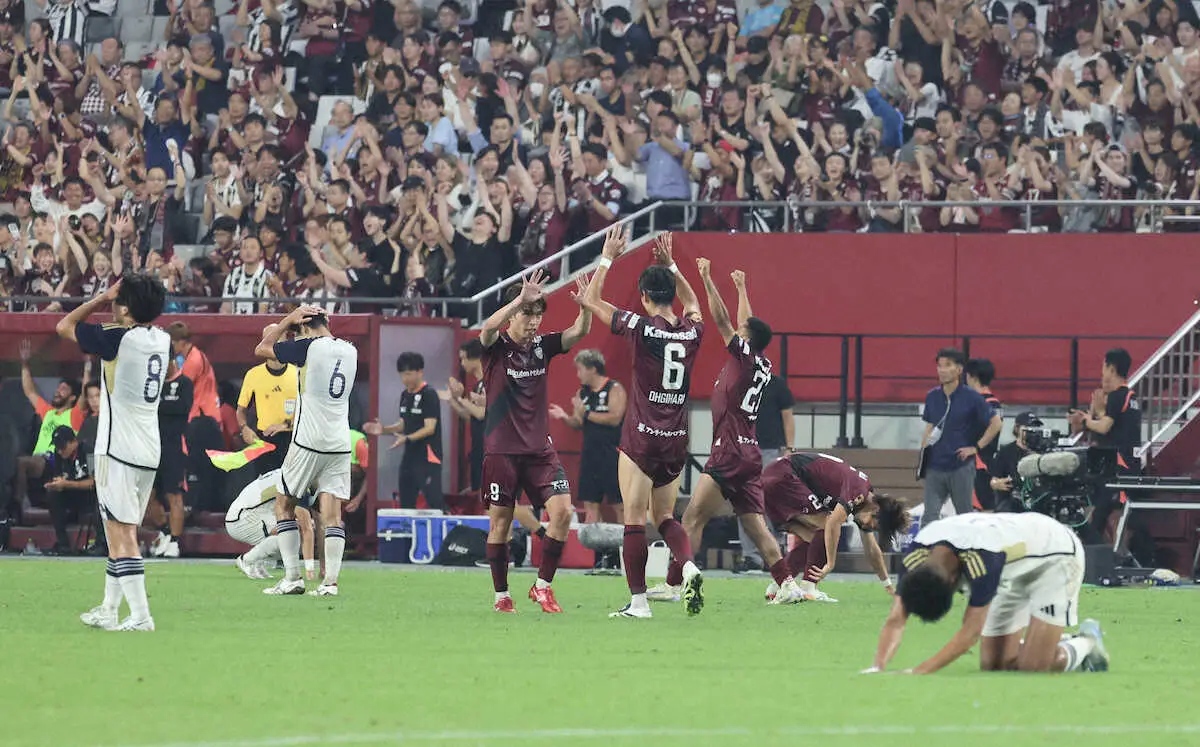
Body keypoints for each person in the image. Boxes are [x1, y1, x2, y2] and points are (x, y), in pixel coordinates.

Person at [650, 259, 805, 606]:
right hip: (749, 453)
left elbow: (722, 321)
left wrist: (706, 278)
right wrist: (741, 288)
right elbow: (742, 323)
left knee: (691, 518)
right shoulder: (761, 362)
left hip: (729, 450)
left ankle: (674, 585)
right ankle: (788, 584)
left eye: (743, 330)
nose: (738, 329)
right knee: (755, 526)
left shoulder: (744, 355)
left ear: (747, 338)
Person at [577, 227, 706, 619]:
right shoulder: (692, 331)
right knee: (664, 516)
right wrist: (672, 265)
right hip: (676, 438)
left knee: (634, 518)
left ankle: (638, 603)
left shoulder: (640, 326)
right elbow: (694, 301)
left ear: (645, 297)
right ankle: (687, 565)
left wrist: (606, 258)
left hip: (642, 437)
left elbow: (593, 300)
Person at [57, 274, 171, 632]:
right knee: (116, 530)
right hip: (148, 447)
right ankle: (109, 608)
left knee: (121, 533)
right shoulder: (163, 339)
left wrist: (99, 298)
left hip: (118, 448)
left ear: (124, 305)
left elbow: (64, 325)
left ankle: (140, 616)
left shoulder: (116, 338)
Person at [866, 512, 1109, 675]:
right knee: (993, 664)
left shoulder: (981, 560)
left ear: (953, 580)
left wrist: (919, 671)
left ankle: (1087, 642)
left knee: (1034, 667)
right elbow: (896, 617)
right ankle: (1049, 639)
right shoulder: (914, 554)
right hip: (1010, 566)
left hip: (1055, 557)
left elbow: (970, 633)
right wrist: (878, 667)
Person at [478, 270, 592, 614]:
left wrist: (586, 307)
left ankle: (542, 587)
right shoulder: (496, 348)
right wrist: (518, 300)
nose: (533, 321)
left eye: (538, 314)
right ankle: (502, 597)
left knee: (563, 512)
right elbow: (485, 329)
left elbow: (579, 332)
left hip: (539, 450)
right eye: (528, 314)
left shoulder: (543, 346)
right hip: (502, 451)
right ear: (514, 314)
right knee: (501, 524)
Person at [254, 307, 358, 597]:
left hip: (308, 441)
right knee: (332, 513)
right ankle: (330, 583)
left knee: (284, 505)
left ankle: (292, 578)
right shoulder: (350, 350)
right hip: (339, 442)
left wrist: (288, 319)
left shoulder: (309, 347)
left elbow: (262, 349)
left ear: (305, 328)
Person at [762, 451, 912, 602]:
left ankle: (780, 585)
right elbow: (832, 523)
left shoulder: (864, 502)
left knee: (815, 539)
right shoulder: (859, 490)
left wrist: (887, 584)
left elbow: (872, 550)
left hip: (773, 476)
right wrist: (830, 563)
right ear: (876, 510)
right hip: (785, 473)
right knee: (827, 528)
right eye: (875, 526)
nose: (869, 527)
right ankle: (809, 587)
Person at [919, 348, 1002, 527]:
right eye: (939, 366)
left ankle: (968, 553)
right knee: (929, 516)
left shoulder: (972, 397)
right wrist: (924, 449)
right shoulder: (932, 396)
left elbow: (996, 423)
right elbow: (930, 425)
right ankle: (927, 553)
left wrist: (976, 447)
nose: (942, 370)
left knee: (965, 516)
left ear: (959, 370)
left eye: (947, 365)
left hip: (960, 465)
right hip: (935, 466)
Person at [1069, 348, 1142, 549]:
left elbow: (1104, 427)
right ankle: (1098, 553)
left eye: (1104, 367)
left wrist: (1085, 420)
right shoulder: (1131, 397)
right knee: (1105, 512)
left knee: (1101, 513)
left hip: (1118, 466)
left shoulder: (1118, 397)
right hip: (1125, 464)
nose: (1102, 372)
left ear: (1111, 368)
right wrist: (1095, 414)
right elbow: (1111, 427)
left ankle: (1093, 554)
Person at [10, 341, 85, 526]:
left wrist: (88, 365)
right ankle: (12, 508)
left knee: (21, 462)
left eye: (64, 389)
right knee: (13, 463)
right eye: (58, 388)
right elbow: (29, 391)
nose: (58, 391)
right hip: (39, 461)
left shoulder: (74, 414)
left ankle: (19, 508)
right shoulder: (48, 412)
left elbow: (85, 393)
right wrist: (25, 364)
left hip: (55, 460)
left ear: (73, 397)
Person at [364, 352, 444, 509]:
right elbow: (403, 424)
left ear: (420, 372)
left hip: (428, 457)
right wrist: (384, 430)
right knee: (406, 499)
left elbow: (429, 428)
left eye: (408, 374)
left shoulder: (429, 394)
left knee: (434, 501)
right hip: (409, 456)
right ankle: (407, 532)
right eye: (402, 375)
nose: (405, 379)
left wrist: (406, 438)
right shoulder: (405, 395)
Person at [736, 369, 794, 573]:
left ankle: (774, 554)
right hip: (744, 447)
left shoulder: (776, 383)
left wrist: (789, 448)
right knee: (744, 501)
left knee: (770, 501)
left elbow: (787, 417)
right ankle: (751, 556)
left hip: (770, 450)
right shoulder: (739, 381)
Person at [227, 467, 316, 581]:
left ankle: (257, 562)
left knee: (290, 530)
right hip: (243, 517)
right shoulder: (298, 482)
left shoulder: (288, 472)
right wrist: (310, 569)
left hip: (243, 513)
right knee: (291, 537)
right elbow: (306, 528)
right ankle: (247, 560)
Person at [147, 361, 193, 559]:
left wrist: (158, 404)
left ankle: (174, 541)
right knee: (147, 496)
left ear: (172, 361)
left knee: (174, 496)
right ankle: (165, 530)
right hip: (150, 448)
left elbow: (182, 408)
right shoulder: (151, 383)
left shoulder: (184, 383)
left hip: (174, 448)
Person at [236, 346, 299, 474]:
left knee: (290, 490)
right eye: (269, 340)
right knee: (265, 490)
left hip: (293, 440)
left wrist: (285, 425)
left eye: (277, 340)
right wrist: (244, 428)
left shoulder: (298, 374)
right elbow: (241, 410)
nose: (272, 345)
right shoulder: (254, 375)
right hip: (264, 441)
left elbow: (309, 411)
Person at [41, 426, 96, 555]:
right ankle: (63, 543)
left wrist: (67, 484)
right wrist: (56, 484)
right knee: (53, 495)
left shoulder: (89, 451)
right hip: (72, 493)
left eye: (63, 447)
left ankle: (99, 544)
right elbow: (61, 476)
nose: (60, 451)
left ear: (73, 442)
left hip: (90, 496)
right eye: (57, 447)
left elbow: (94, 482)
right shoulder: (59, 455)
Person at [446, 339, 486, 491]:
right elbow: (471, 417)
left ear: (475, 359)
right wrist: (453, 400)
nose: (462, 363)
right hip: (478, 449)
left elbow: (482, 413)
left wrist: (461, 398)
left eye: (463, 358)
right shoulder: (477, 385)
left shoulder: (491, 381)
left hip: (491, 450)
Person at [965, 358, 1003, 512]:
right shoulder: (994, 402)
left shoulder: (982, 402)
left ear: (973, 376)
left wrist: (977, 447)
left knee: (984, 511)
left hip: (979, 464)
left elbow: (996, 425)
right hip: (984, 462)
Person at [989, 412, 1040, 513]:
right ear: (1017, 428)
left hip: (1037, 499)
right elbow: (994, 480)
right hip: (1012, 500)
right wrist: (997, 484)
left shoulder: (1042, 451)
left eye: (1035, 428)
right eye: (1028, 428)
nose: (1032, 432)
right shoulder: (1005, 451)